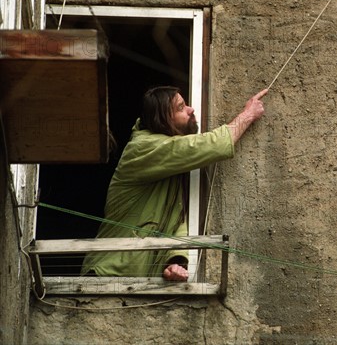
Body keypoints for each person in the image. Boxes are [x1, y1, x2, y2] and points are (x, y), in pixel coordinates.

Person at [81, 86, 267, 281]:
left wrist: (175, 261)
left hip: (131, 280)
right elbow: (210, 145)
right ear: (162, 120)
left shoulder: (168, 169)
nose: (191, 109)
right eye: (180, 108)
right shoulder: (143, 149)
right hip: (105, 275)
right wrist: (248, 115)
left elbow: (178, 219)